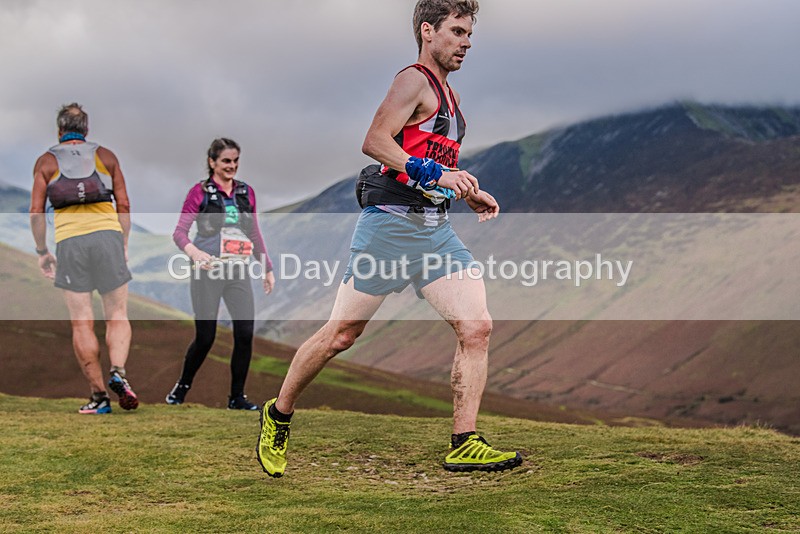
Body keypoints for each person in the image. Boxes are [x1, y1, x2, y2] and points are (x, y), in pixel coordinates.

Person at [257, 0, 522, 477]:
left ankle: (464, 441)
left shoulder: (451, 98)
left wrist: (469, 190)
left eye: (470, 35)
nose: (466, 43)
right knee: (341, 335)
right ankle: (277, 416)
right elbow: (377, 140)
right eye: (458, 32)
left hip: (434, 231)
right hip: (389, 228)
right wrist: (434, 172)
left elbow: (433, 164)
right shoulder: (412, 79)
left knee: (476, 326)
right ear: (428, 30)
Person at [30, 103, 138, 414]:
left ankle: (99, 398)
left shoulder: (47, 161)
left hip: (70, 242)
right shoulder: (106, 157)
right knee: (117, 313)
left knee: (82, 322)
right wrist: (124, 243)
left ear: (59, 130)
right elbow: (125, 205)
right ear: (86, 129)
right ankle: (118, 370)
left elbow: (36, 212)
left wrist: (42, 251)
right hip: (107, 238)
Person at [168, 138, 275, 410]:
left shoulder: (245, 192)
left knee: (244, 333)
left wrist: (266, 267)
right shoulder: (199, 192)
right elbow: (179, 233)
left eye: (236, 161)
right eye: (226, 161)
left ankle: (237, 397)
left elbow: (254, 232)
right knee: (206, 337)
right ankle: (182, 387)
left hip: (237, 270)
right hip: (208, 271)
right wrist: (195, 253)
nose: (232, 166)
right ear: (212, 162)